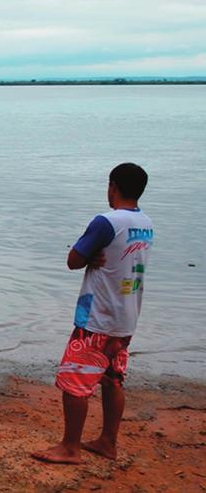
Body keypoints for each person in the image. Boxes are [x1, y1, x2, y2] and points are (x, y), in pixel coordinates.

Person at [32, 163, 152, 464]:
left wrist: (88, 256)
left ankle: (70, 447)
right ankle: (108, 442)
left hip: (97, 315)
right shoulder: (146, 223)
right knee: (112, 379)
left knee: (75, 380)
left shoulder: (106, 221)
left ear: (113, 186)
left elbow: (74, 260)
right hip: (126, 316)